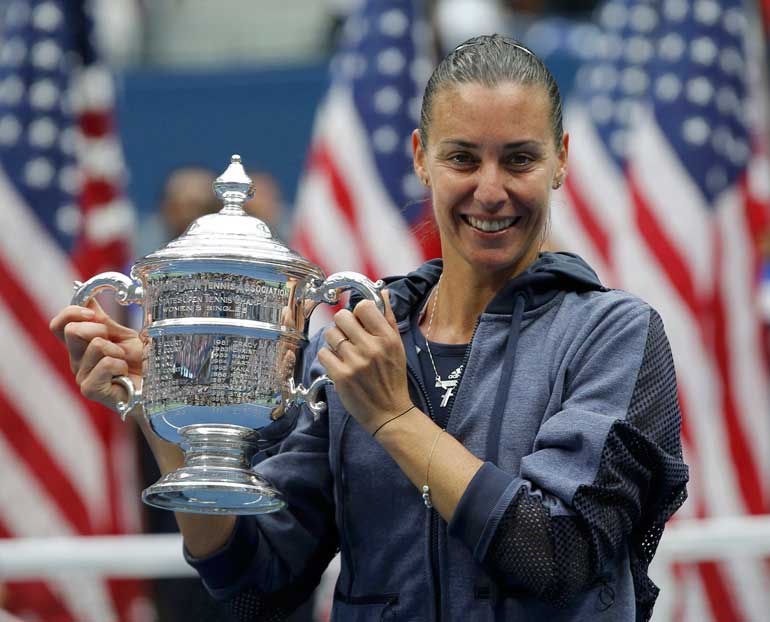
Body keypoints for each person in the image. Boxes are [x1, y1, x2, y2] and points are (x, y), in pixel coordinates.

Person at [50, 35, 688, 621]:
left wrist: (393, 418)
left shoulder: (615, 333)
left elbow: (558, 554)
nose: (490, 190)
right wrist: (172, 419)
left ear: (560, 160)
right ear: (421, 158)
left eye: (518, 160)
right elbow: (256, 583)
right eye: (463, 158)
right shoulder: (358, 341)